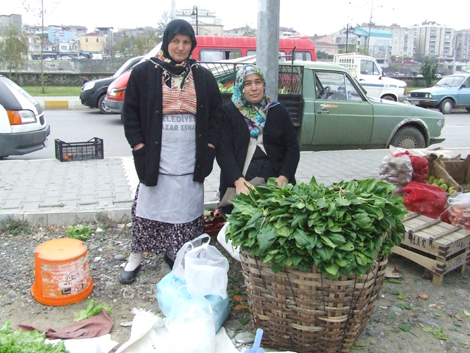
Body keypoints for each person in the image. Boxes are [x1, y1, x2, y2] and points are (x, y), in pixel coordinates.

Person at [120, 19, 222, 284]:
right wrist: (139, 145)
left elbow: (215, 115)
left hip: (191, 152)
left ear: (192, 45)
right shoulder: (145, 72)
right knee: (149, 202)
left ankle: (174, 251)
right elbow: (130, 112)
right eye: (175, 41)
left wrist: (210, 146)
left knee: (183, 206)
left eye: (186, 42)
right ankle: (135, 256)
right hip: (156, 152)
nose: (180, 47)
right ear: (166, 42)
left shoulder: (202, 75)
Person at [216, 64, 300, 214]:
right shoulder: (228, 112)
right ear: (240, 87)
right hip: (240, 185)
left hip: (276, 186)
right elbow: (223, 151)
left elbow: (292, 148)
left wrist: (284, 177)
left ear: (263, 84)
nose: (254, 88)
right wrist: (239, 181)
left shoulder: (277, 110)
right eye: (248, 84)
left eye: (258, 82)